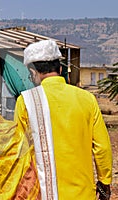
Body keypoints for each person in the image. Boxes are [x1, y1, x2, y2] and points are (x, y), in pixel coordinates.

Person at [14, 39, 113, 199]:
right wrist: (104, 182)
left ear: (33, 72)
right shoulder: (87, 99)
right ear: (60, 68)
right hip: (82, 193)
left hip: (43, 193)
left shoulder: (26, 101)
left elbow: (20, 151)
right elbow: (102, 148)